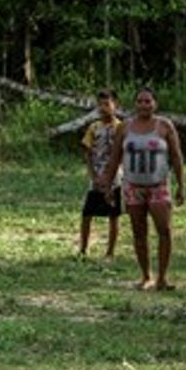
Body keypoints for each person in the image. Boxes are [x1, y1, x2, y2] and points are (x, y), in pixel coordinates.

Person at [118, 87, 185, 291]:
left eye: (148, 101)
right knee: (139, 232)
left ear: (155, 104)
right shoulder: (124, 127)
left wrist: (182, 185)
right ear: (134, 104)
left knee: (164, 230)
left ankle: (162, 278)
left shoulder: (165, 126)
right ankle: (146, 276)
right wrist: (106, 182)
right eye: (140, 101)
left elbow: (176, 156)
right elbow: (114, 157)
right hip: (133, 186)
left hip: (159, 186)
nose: (144, 105)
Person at [77, 90, 122, 258]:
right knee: (87, 213)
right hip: (97, 175)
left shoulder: (120, 128)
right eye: (100, 104)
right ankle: (83, 249)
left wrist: (113, 174)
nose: (103, 108)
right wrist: (94, 175)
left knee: (113, 215)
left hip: (115, 177)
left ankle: (110, 252)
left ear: (116, 106)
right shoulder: (94, 127)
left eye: (107, 104)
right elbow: (88, 153)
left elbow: (122, 153)